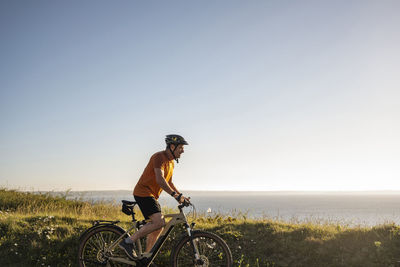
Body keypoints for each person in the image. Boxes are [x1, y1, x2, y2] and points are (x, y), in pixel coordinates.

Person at [119, 134, 190, 259]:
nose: (183, 151)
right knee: (159, 222)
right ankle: (127, 242)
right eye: (180, 148)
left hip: (151, 195)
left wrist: (180, 196)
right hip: (143, 192)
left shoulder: (171, 162)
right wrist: (175, 196)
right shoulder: (159, 157)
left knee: (157, 227)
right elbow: (160, 179)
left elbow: (169, 182)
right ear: (172, 146)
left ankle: (145, 257)